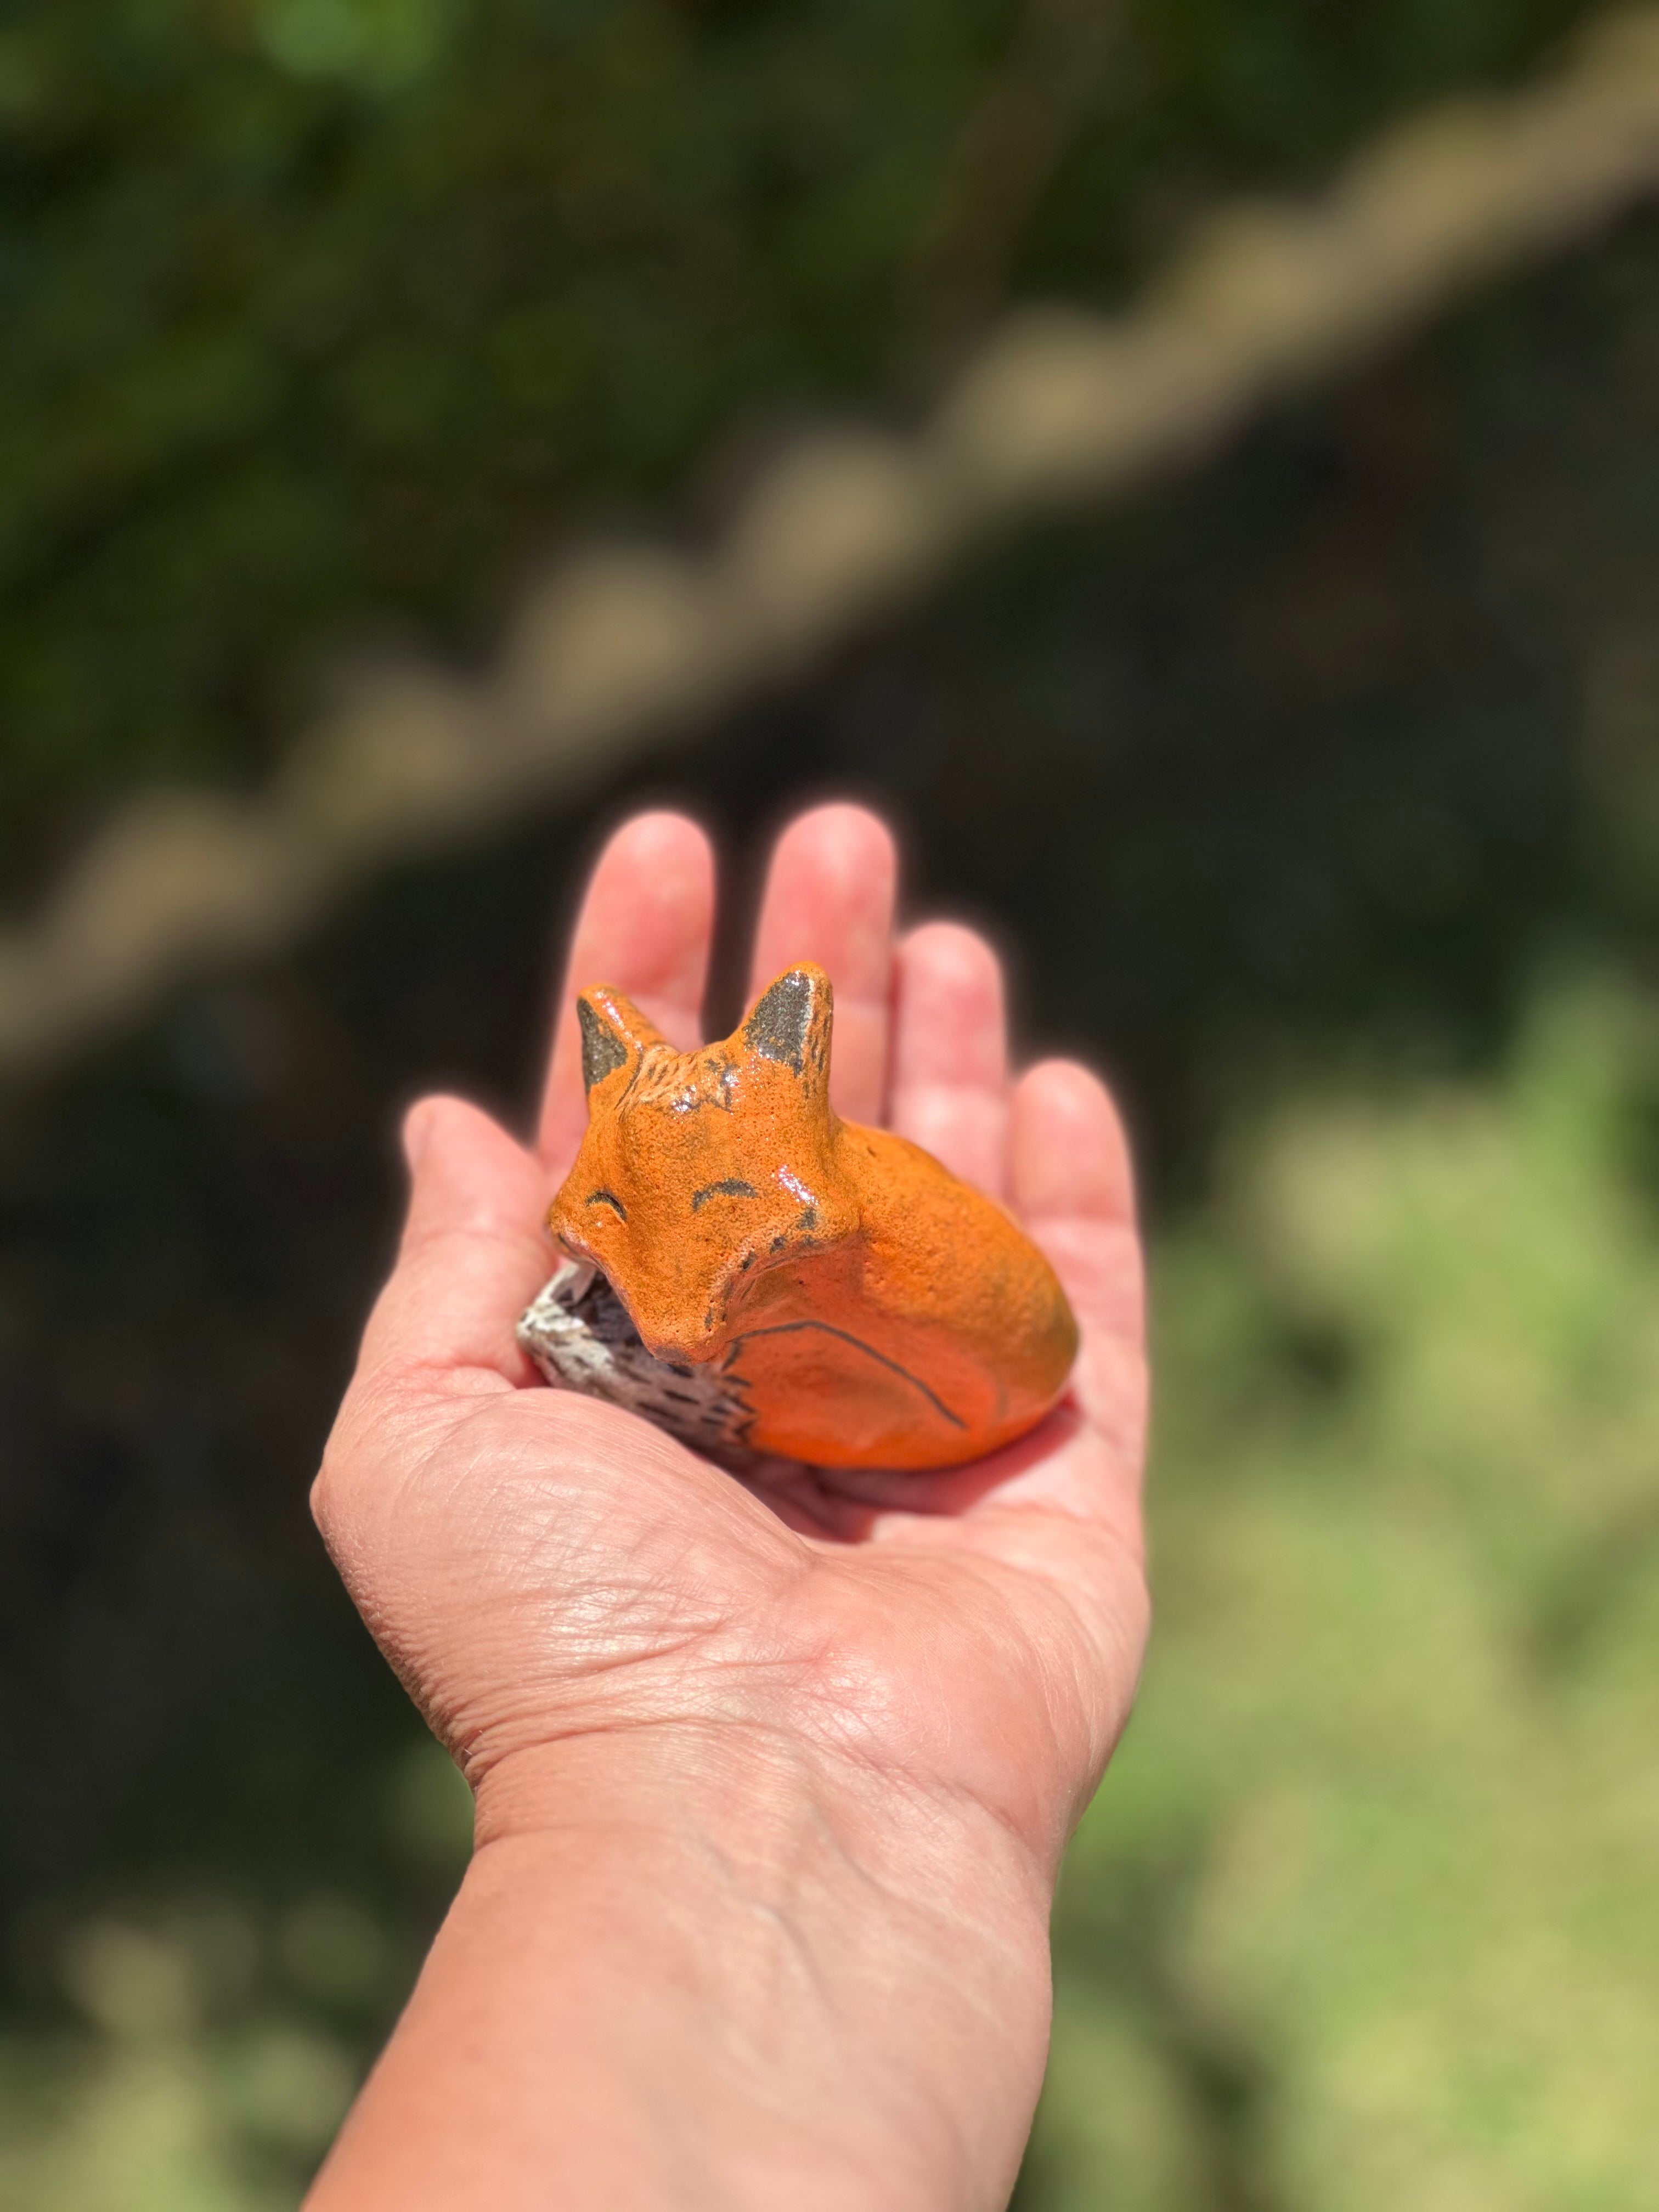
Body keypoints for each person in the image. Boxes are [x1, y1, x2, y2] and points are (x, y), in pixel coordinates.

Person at [304, 801, 1149, 2210]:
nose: (670, 1294)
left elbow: (946, 1331)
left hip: (947, 1377)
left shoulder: (831, 1226)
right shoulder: (695, 1254)